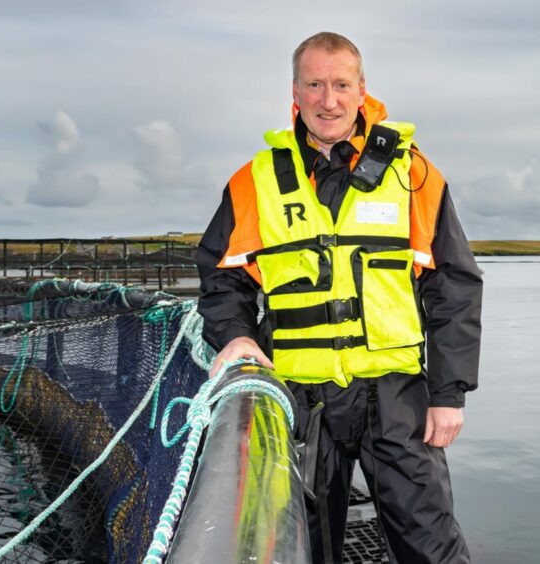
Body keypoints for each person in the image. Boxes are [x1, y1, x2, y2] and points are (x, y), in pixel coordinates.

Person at [196, 31, 482, 563]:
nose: (329, 100)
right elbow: (222, 275)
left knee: (431, 543)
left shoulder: (413, 175)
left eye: (341, 85)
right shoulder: (254, 181)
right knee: (300, 544)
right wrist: (235, 335)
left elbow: (454, 285)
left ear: (361, 89)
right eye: (315, 85)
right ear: (296, 92)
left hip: (397, 398)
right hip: (301, 401)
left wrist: (449, 393)